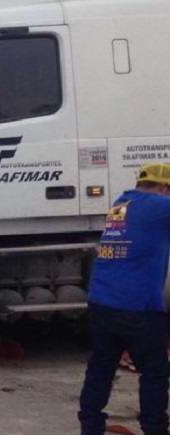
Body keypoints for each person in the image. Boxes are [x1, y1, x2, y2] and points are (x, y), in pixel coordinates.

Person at [78, 162, 170, 435]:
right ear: (164, 188)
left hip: (102, 301)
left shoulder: (122, 203)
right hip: (137, 307)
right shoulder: (157, 205)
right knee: (155, 372)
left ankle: (90, 426)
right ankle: (155, 429)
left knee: (101, 367)